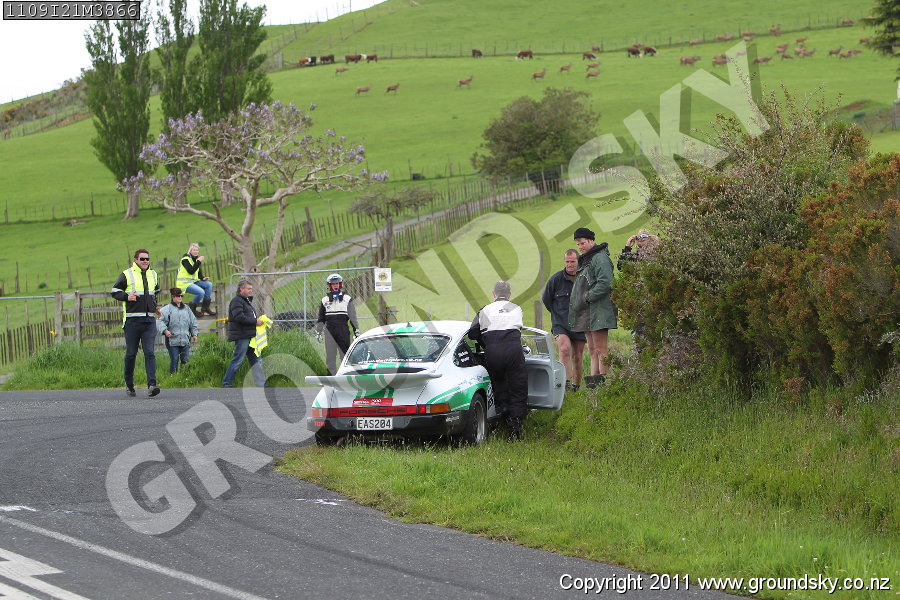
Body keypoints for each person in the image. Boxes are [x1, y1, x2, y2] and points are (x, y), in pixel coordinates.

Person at [468, 281, 528, 440]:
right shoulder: (516, 308)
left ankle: (505, 416)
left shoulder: (485, 310)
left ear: (493, 294)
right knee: (518, 387)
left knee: (499, 385)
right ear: (509, 294)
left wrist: (486, 342)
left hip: (493, 351)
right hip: (514, 349)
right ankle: (516, 427)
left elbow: (472, 333)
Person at [568, 227, 618, 389]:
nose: (580, 247)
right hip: (589, 311)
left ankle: (605, 386)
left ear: (591, 241)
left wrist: (587, 297)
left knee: (601, 349)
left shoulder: (600, 258)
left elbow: (606, 283)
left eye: (582, 243)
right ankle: (594, 387)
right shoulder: (588, 259)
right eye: (578, 244)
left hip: (600, 309)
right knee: (592, 349)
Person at [111, 248, 161, 398]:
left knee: (149, 352)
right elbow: (114, 291)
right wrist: (127, 297)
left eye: (147, 259)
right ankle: (129, 384)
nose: (145, 261)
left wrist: (155, 307)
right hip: (132, 321)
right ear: (135, 260)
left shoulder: (153, 274)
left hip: (149, 321)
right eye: (142, 259)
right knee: (131, 353)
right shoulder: (127, 274)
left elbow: (154, 293)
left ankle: (152, 385)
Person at [541, 249, 587, 392]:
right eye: (567, 261)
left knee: (577, 356)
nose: (569, 264)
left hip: (580, 323)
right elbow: (546, 300)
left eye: (572, 261)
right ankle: (564, 386)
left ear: (578, 261)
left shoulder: (585, 278)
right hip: (561, 323)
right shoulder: (555, 279)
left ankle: (576, 387)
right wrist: (557, 314)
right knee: (564, 349)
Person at [221, 279, 265, 388]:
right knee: (238, 359)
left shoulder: (246, 301)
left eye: (251, 289)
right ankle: (226, 383)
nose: (251, 290)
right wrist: (255, 321)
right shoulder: (236, 301)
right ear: (241, 289)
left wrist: (257, 320)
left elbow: (246, 316)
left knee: (256, 360)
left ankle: (261, 384)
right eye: (249, 289)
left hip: (250, 336)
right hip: (242, 336)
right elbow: (239, 317)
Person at [316, 273, 359, 375]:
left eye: (337, 283)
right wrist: (318, 332)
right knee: (330, 356)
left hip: (343, 330)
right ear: (329, 285)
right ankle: (331, 378)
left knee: (345, 355)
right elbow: (321, 318)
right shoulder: (324, 300)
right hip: (329, 331)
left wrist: (356, 330)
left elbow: (352, 317)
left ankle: (346, 376)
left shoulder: (347, 299)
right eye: (333, 284)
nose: (335, 285)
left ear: (340, 284)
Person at [157, 287, 199, 374]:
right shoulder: (166, 309)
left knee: (186, 360)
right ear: (173, 296)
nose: (180, 297)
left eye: (181, 296)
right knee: (174, 360)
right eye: (178, 296)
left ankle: (185, 377)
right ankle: (173, 377)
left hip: (185, 340)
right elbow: (159, 321)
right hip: (172, 340)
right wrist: (165, 331)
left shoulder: (187, 309)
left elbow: (193, 321)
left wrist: (194, 334)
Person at [175, 243, 216, 318]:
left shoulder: (195, 260)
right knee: (201, 292)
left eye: (197, 250)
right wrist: (199, 261)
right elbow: (191, 271)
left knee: (209, 284)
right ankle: (192, 309)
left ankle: (205, 308)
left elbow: (198, 272)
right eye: (194, 250)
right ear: (190, 251)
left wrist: (203, 278)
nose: (196, 252)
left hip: (193, 281)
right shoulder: (185, 259)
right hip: (184, 283)